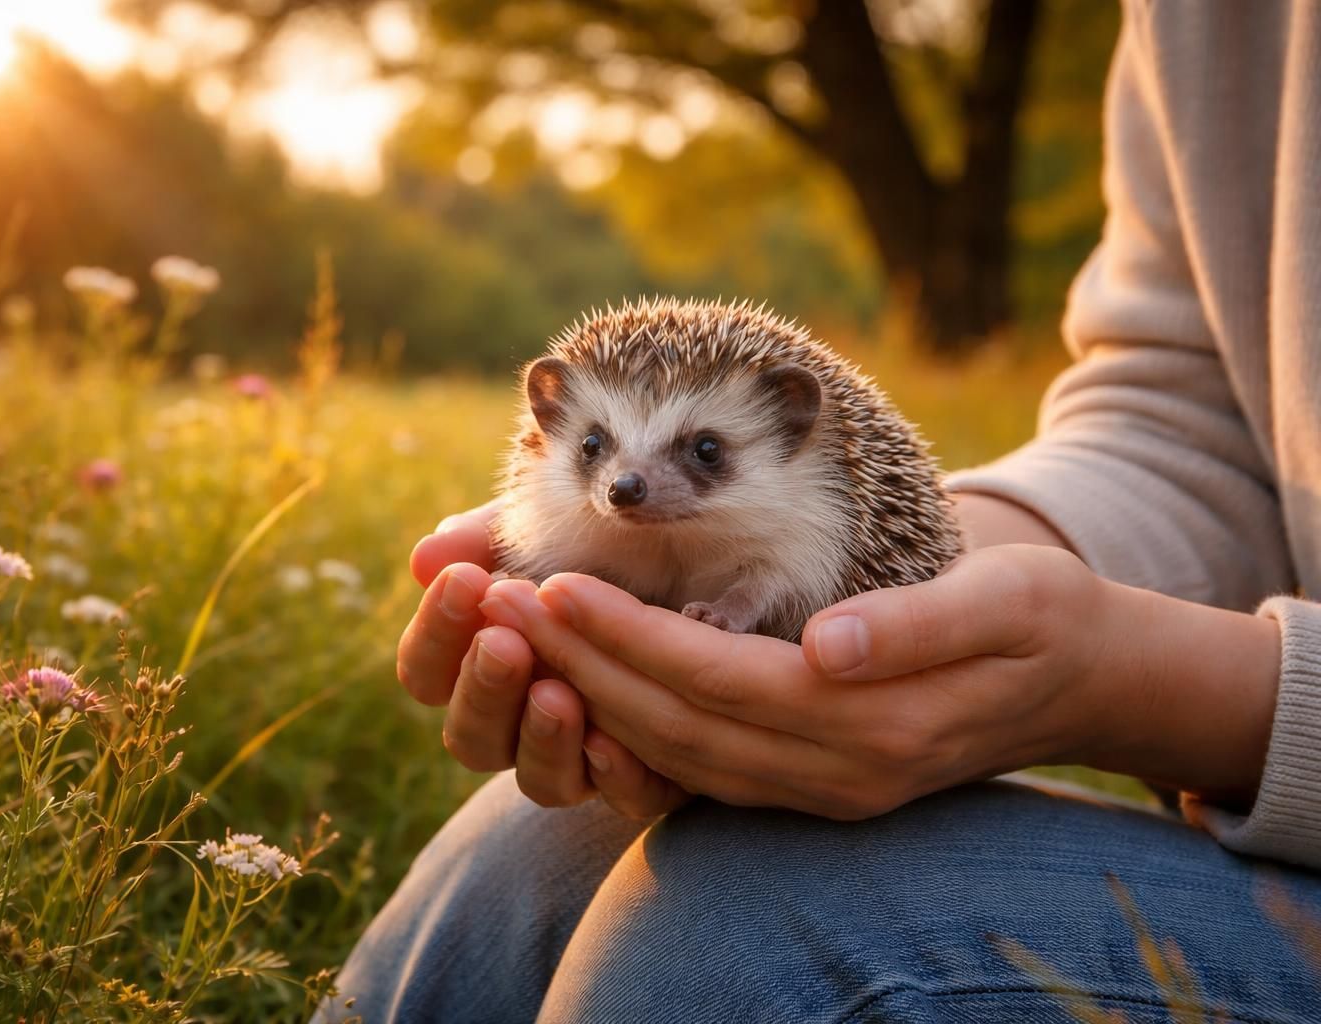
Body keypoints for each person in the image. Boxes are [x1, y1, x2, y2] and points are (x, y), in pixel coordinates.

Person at [321, 3, 1321, 1020]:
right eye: (594, 450)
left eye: (702, 454)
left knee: (729, 921)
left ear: (798, 435)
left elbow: (804, 577)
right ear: (548, 422)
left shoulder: (809, 519)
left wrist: (1128, 683)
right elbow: (1199, 409)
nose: (624, 487)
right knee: (526, 839)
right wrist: (971, 606)